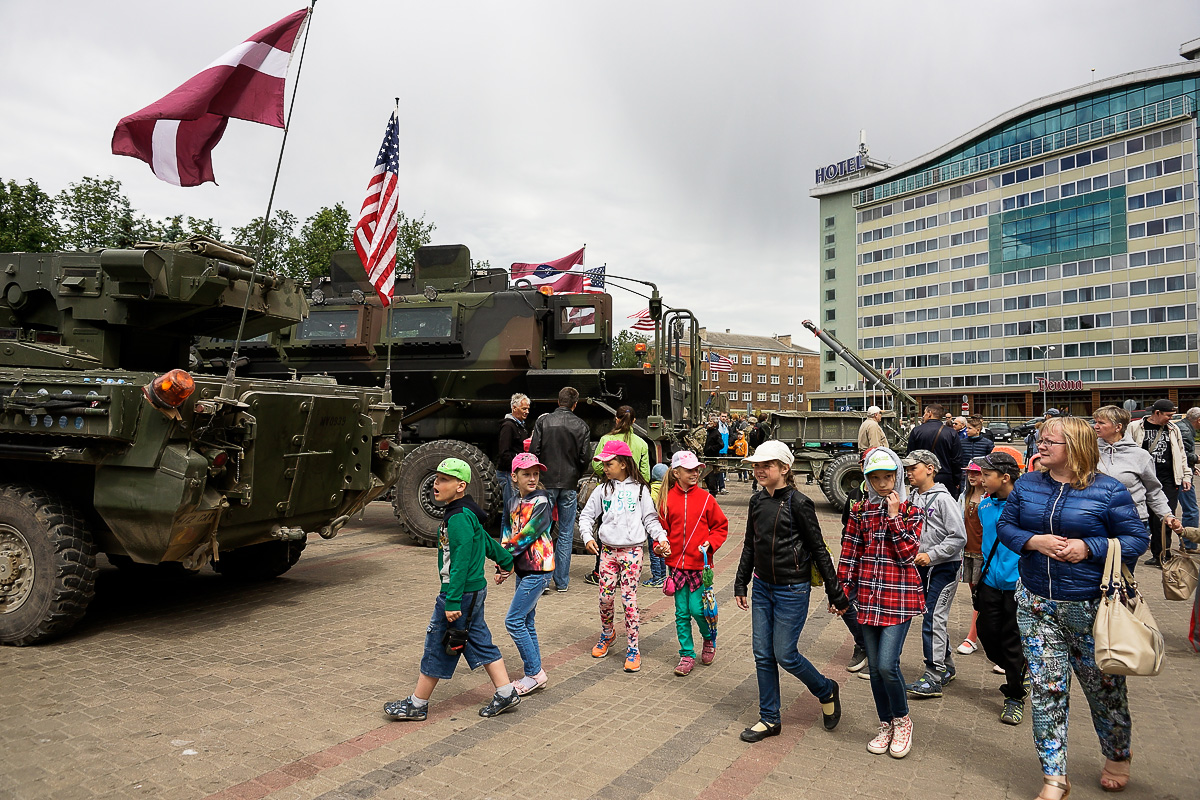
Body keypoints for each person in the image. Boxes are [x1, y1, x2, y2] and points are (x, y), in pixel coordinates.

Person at [998, 416, 1148, 799]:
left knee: (1105, 690)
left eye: (1050, 442)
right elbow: (1006, 526)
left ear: (1076, 449)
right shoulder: (1028, 484)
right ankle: (1054, 778)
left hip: (1092, 609)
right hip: (1035, 604)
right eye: (1040, 439)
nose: (1041, 446)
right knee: (1048, 691)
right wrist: (1033, 541)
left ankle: (1117, 755)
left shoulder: (1109, 491)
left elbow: (1136, 538)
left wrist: (1089, 548)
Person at [384, 458, 521, 722]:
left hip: (459, 594)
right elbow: (484, 541)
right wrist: (505, 561)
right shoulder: (464, 512)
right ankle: (505, 692)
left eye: (444, 480)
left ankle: (417, 704)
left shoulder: (458, 517)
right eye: (436, 479)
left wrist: (452, 601)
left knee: (438, 644)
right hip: (472, 592)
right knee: (478, 640)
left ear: (461, 486)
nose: (437, 484)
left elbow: (459, 561)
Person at [734, 440, 848, 743]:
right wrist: (740, 581)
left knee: (785, 654)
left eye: (766, 465)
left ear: (785, 468)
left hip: (791, 590)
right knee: (762, 654)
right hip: (762, 587)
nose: (759, 470)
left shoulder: (799, 503)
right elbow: (749, 544)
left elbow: (819, 550)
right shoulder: (757, 501)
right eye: (756, 465)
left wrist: (836, 594)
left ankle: (826, 689)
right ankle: (769, 718)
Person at [838, 447, 924, 758]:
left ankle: (902, 720)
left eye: (888, 477)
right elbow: (850, 551)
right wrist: (842, 591)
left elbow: (908, 554)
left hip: (899, 597)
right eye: (875, 479)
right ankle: (885, 723)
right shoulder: (860, 510)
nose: (882, 484)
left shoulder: (912, 511)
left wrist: (893, 517)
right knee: (874, 669)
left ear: (898, 476)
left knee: (888, 664)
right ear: (867, 480)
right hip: (868, 597)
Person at [579, 439, 670, 674]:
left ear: (623, 464)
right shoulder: (602, 490)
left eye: (609, 463)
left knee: (629, 602)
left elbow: (650, 519)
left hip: (632, 552)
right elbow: (587, 516)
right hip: (607, 552)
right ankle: (608, 634)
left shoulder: (641, 490)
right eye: (603, 464)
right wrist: (588, 536)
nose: (604, 468)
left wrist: (661, 538)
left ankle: (633, 648)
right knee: (605, 598)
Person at [656, 450, 729, 676]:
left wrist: (710, 543)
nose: (695, 473)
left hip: (700, 566)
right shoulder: (666, 500)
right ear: (676, 473)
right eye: (689, 469)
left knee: (699, 610)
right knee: (681, 612)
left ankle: (708, 639)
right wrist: (660, 547)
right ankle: (686, 654)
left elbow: (721, 527)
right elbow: (661, 531)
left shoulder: (707, 499)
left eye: (697, 469)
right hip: (676, 567)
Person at [901, 449, 967, 699]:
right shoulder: (914, 498)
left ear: (930, 468)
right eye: (906, 469)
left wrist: (933, 555)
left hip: (944, 566)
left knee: (934, 616)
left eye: (912, 468)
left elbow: (959, 536)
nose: (908, 473)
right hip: (923, 566)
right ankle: (946, 665)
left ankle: (934, 674)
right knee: (931, 615)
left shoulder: (943, 500)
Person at [971, 452, 1028, 726]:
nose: (980, 480)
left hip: (1019, 585)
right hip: (989, 583)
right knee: (987, 633)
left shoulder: (1027, 507)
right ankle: (1016, 668)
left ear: (1005, 478)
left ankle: (1015, 694)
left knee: (1012, 641)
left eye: (986, 475)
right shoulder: (985, 506)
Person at [501, 453, 555, 696]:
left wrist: (505, 557)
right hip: (523, 569)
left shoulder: (542, 501)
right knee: (526, 621)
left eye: (535, 474)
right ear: (514, 477)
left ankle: (534, 673)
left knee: (513, 621)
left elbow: (527, 536)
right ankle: (535, 670)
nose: (532, 478)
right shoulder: (512, 501)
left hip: (538, 569)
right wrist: (503, 564)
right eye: (526, 474)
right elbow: (506, 530)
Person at [531, 386, 593, 593]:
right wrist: (575, 473)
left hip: (546, 482)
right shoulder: (581, 425)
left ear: (558, 401)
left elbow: (534, 451)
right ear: (575, 404)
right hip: (569, 483)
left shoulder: (543, 421)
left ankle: (543, 581)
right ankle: (562, 582)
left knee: (544, 531)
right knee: (566, 532)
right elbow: (585, 457)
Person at [1093, 405, 1183, 546]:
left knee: (1123, 565)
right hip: (1094, 520)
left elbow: (1154, 491)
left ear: (1118, 427)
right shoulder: (1088, 452)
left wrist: (1167, 515)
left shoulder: (1140, 456)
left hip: (1130, 521)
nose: (1095, 426)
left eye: (1101, 423)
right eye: (1095, 422)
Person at [587, 405, 653, 586]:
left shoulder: (606, 439)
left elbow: (598, 466)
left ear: (616, 419)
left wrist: (607, 472)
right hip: (633, 497)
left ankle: (601, 572)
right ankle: (628, 574)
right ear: (633, 421)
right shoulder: (642, 443)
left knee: (605, 530)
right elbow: (646, 474)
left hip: (609, 493)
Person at [1128, 398, 1192, 567]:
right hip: (1143, 479)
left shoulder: (1173, 429)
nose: (1171, 418)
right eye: (1168, 415)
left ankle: (1163, 553)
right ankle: (1134, 550)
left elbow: (1181, 454)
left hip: (1168, 480)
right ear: (1156, 413)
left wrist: (1186, 476)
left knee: (1165, 517)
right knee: (1141, 516)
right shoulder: (1135, 427)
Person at [956, 462, 986, 658]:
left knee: (984, 597)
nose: (971, 477)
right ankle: (975, 636)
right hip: (968, 554)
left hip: (987, 557)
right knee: (976, 596)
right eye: (969, 473)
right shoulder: (963, 497)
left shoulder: (992, 499)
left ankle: (973, 637)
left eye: (976, 473)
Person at [907, 404, 964, 497]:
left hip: (922, 476)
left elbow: (910, 456)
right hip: (945, 476)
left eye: (924, 413)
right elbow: (957, 459)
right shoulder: (951, 433)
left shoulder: (917, 431)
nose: (923, 416)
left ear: (930, 414)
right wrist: (956, 479)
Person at [497, 393, 531, 534]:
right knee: (511, 511)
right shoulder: (508, 427)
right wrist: (519, 462)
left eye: (528, 409)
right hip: (508, 474)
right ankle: (507, 545)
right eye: (524, 409)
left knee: (514, 511)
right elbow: (504, 453)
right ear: (514, 408)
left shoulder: (520, 426)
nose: (527, 412)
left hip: (514, 474)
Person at [644, 463, 671, 586]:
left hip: (654, 527)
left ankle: (656, 577)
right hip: (665, 526)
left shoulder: (650, 491)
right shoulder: (668, 490)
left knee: (654, 550)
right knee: (664, 549)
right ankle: (663, 575)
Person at [1179, 407, 1200, 544]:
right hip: (1181, 476)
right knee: (1191, 510)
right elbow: (1182, 455)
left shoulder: (1182, 427)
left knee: (1164, 507)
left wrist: (1193, 467)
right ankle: (1189, 543)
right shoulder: (1185, 431)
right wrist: (1196, 458)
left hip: (1179, 473)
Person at [959, 415, 995, 484]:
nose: (966, 430)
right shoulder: (961, 443)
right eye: (966, 428)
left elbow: (990, 460)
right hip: (965, 476)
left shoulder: (988, 443)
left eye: (969, 428)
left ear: (977, 430)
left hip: (981, 475)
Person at [702, 415, 723, 494]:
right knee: (707, 477)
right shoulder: (709, 432)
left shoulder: (716, 433)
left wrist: (711, 448)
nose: (709, 423)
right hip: (707, 457)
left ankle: (713, 491)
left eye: (711, 422)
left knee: (711, 476)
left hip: (712, 457)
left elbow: (721, 445)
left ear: (715, 424)